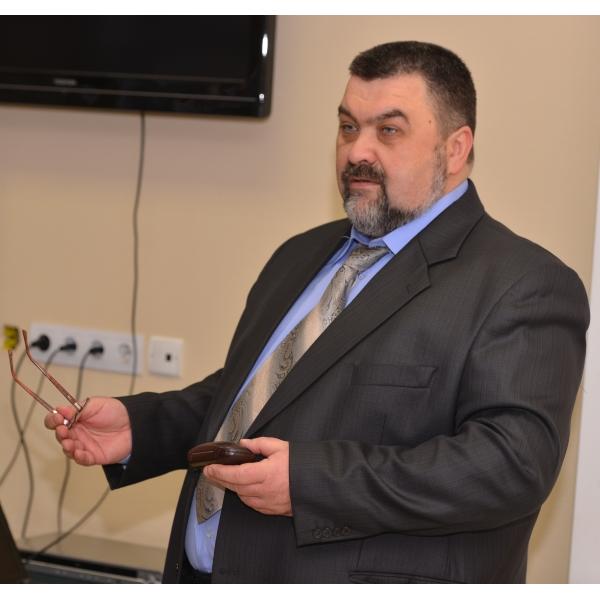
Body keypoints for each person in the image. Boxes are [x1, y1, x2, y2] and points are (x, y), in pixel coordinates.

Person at [45, 41, 589, 584]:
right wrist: (142, 428)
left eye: (388, 130)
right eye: (348, 127)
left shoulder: (523, 284)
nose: (357, 151)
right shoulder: (300, 255)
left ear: (455, 148)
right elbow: (259, 398)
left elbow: (511, 466)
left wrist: (311, 484)